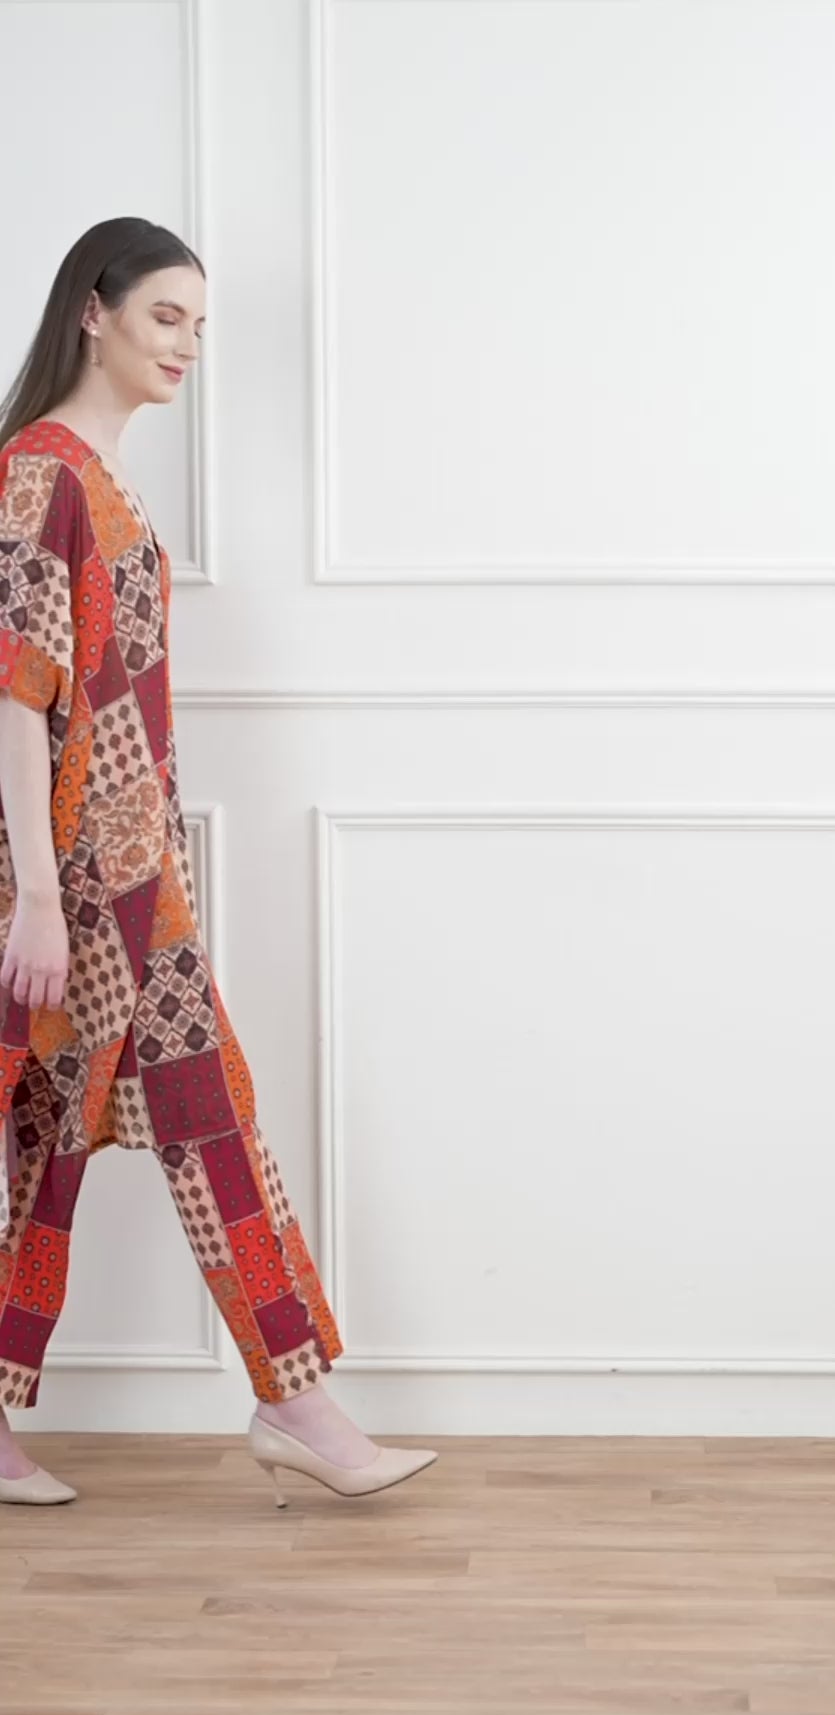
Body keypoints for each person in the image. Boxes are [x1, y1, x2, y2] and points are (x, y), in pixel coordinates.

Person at [0, 217, 436, 1507]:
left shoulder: (103, 475)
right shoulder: (39, 475)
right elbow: (15, 697)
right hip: (76, 888)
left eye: (200, 324)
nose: (188, 344)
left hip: (137, 880)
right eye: (165, 316)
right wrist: (37, 896)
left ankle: (294, 1403)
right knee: (124, 1135)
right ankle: (300, 1407)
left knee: (112, 1136)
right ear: (93, 311)